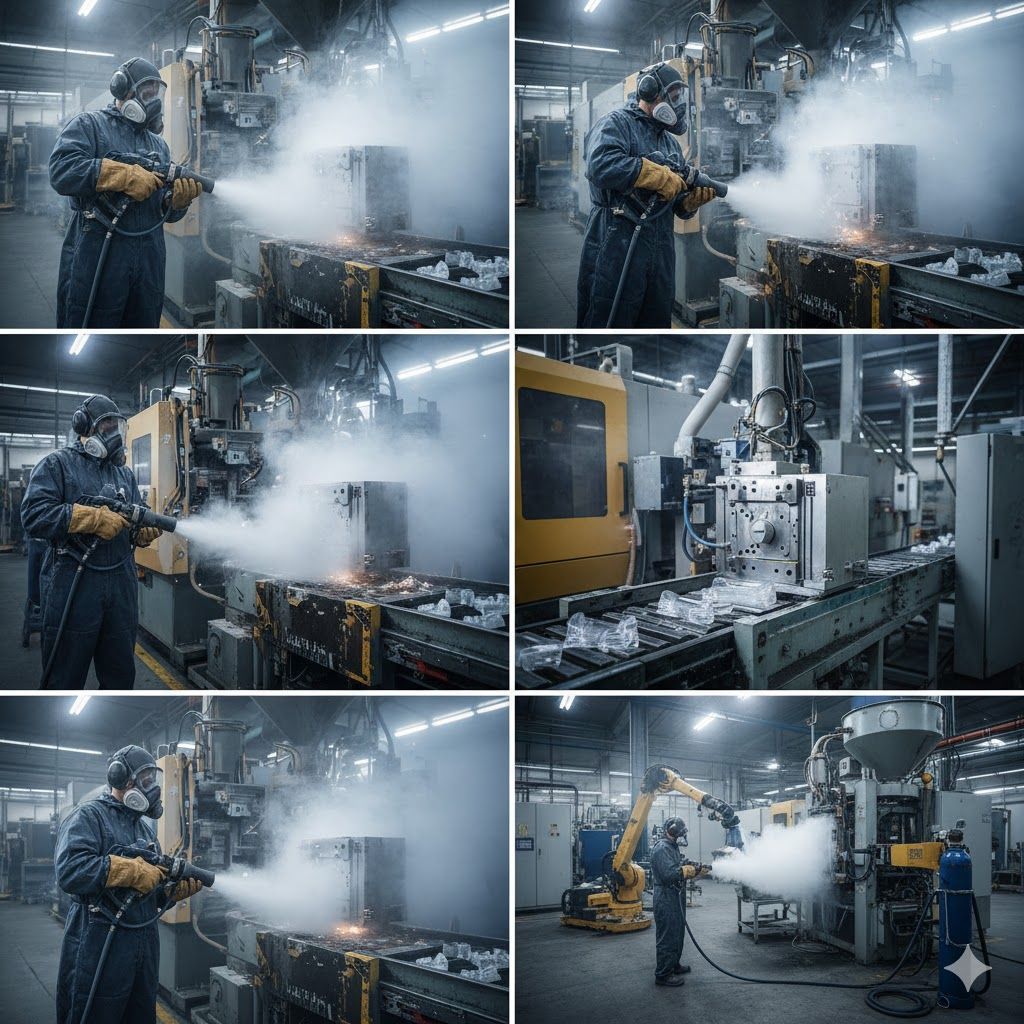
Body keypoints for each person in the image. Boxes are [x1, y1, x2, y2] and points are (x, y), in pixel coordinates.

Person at [49, 57, 203, 328]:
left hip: (149, 260)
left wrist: (176, 203)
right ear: (122, 90)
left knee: (144, 327)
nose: (154, 103)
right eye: (147, 94)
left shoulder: (158, 145)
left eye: (157, 95)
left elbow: (162, 209)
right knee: (93, 324)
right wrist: (120, 174)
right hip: (100, 253)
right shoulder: (89, 125)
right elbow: (62, 170)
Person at [20, 394, 162, 688]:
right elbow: (34, 515)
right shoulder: (57, 465)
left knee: (120, 677)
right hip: (72, 585)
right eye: (106, 424)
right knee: (64, 679)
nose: (114, 432)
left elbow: (136, 516)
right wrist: (90, 518)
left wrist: (141, 533)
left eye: (117, 425)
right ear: (84, 426)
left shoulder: (124, 474)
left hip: (121, 589)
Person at [54, 745, 200, 1024]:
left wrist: (169, 892)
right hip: (100, 943)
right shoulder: (89, 816)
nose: (152, 789)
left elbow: (149, 892)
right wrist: (127, 869)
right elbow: (69, 870)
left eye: (153, 780)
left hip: (143, 945)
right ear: (120, 778)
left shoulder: (143, 829)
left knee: (140, 1014)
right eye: (145, 780)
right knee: (96, 1013)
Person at [576, 62, 717, 328]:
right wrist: (651, 173)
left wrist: (688, 203)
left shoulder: (670, 142)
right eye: (673, 97)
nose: (677, 105)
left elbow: (674, 202)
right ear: (650, 91)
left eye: (680, 98)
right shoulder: (617, 123)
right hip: (616, 238)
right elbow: (599, 165)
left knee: (656, 317)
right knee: (610, 314)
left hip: (660, 245)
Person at [651, 816, 710, 987]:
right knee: (668, 936)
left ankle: (673, 964)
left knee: (677, 932)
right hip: (666, 897)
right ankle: (663, 974)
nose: (681, 836)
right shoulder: (662, 848)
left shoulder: (672, 846)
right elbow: (668, 874)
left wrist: (694, 866)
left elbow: (678, 863)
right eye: (680, 833)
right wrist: (687, 870)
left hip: (675, 895)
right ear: (673, 831)